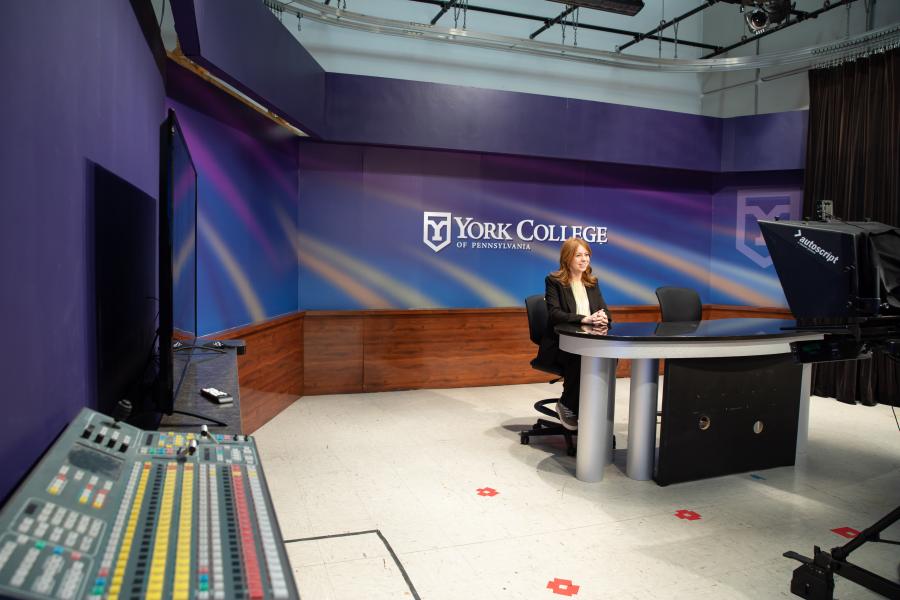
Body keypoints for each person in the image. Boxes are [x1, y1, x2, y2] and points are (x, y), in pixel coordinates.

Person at [536, 237, 612, 430]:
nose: (584, 259)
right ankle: (566, 404)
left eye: (587, 255)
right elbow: (554, 314)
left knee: (610, 356)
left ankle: (592, 405)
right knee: (580, 357)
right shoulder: (554, 281)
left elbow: (604, 310)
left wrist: (603, 317)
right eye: (579, 255)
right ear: (567, 257)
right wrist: (584, 319)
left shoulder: (592, 282)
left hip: (588, 341)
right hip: (560, 344)